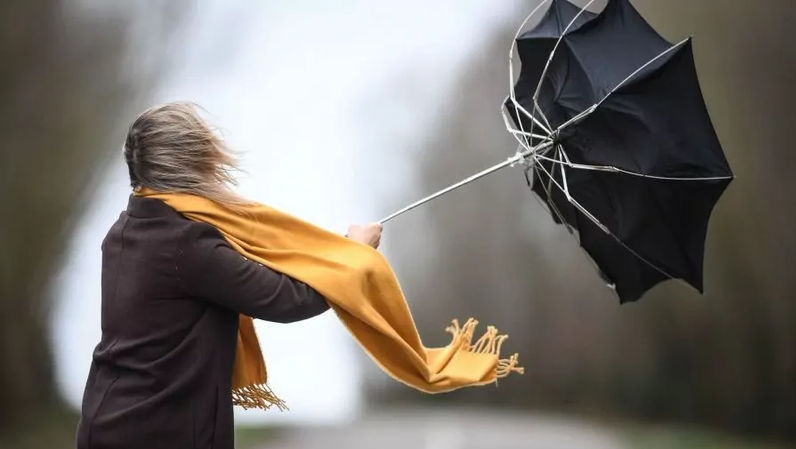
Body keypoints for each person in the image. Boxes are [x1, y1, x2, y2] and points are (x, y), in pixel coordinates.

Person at [75, 102, 382, 449]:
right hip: (160, 433)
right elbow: (287, 299)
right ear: (194, 163)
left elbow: (246, 279)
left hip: (104, 424)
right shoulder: (186, 244)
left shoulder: (124, 230)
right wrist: (355, 254)